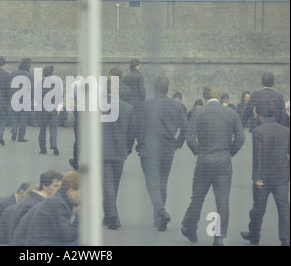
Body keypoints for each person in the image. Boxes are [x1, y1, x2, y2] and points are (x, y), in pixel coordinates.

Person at [181, 83, 245, 246]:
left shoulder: (198, 112)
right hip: (223, 162)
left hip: (204, 161)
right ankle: (219, 237)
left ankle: (190, 226)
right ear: (219, 95)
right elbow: (240, 137)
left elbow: (189, 137)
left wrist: (198, 151)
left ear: (205, 96)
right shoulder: (231, 112)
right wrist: (230, 151)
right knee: (222, 200)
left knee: (197, 197)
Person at [137, 76, 188, 232]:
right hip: (167, 149)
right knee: (163, 182)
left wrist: (140, 143)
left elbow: (140, 127)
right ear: (167, 88)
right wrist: (177, 144)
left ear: (154, 88)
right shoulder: (176, 106)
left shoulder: (146, 105)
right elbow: (186, 128)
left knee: (152, 183)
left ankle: (161, 213)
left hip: (150, 148)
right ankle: (159, 218)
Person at [240, 100, 290, 246]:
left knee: (258, 208)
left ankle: (254, 236)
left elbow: (258, 157)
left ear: (260, 114)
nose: (254, 115)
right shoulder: (285, 131)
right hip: (282, 176)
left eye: (255, 112)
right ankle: (285, 238)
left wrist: (257, 178)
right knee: (283, 207)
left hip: (264, 177)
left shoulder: (258, 132)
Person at [101, 68, 136, 230]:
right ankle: (110, 215)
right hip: (119, 150)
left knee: (107, 184)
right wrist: (127, 149)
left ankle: (111, 216)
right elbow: (131, 134)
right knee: (114, 184)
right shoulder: (128, 109)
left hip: (102, 151)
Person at [11, 171, 80, 246]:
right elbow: (68, 235)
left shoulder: (55, 201)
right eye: (56, 186)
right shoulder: (55, 203)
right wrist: (80, 218)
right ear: (70, 191)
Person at [5, 170, 63, 244]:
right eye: (56, 186)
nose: (59, 189)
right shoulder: (33, 205)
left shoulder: (33, 200)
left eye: (61, 186)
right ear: (45, 186)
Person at [36, 65, 62, 155]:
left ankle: (43, 148)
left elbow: (37, 97)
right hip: (53, 107)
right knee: (53, 127)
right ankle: (54, 144)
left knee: (42, 128)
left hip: (43, 108)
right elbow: (60, 96)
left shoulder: (40, 83)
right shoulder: (57, 83)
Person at [9, 58, 33, 142]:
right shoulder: (30, 75)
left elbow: (9, 87)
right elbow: (32, 89)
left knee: (14, 116)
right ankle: (21, 136)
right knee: (23, 119)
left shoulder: (13, 74)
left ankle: (14, 130)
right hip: (25, 100)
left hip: (14, 99)